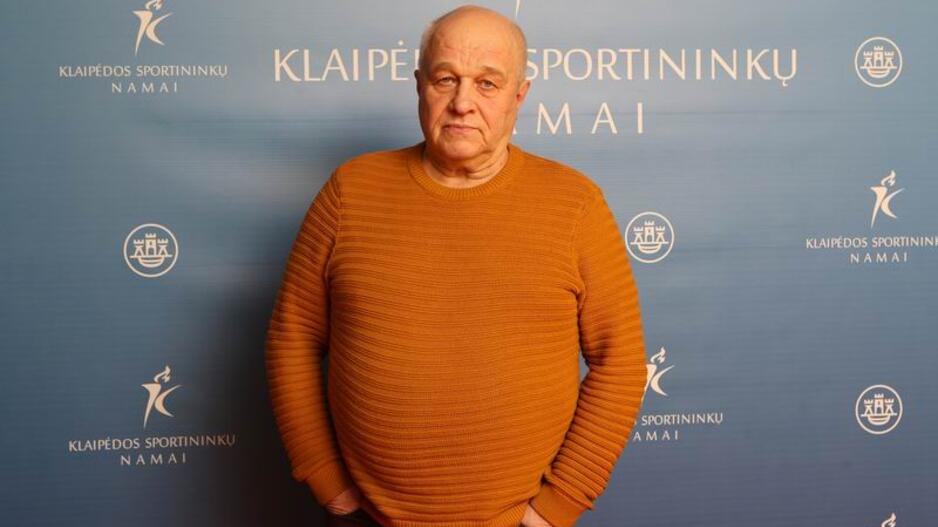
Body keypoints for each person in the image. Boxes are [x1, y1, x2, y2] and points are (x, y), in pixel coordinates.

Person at [265, 5, 647, 527]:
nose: (463, 102)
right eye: (446, 79)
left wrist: (557, 505)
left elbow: (620, 362)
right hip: (365, 517)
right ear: (419, 86)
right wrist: (325, 478)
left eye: (487, 83)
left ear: (519, 96)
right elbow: (293, 338)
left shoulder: (574, 204)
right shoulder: (350, 191)